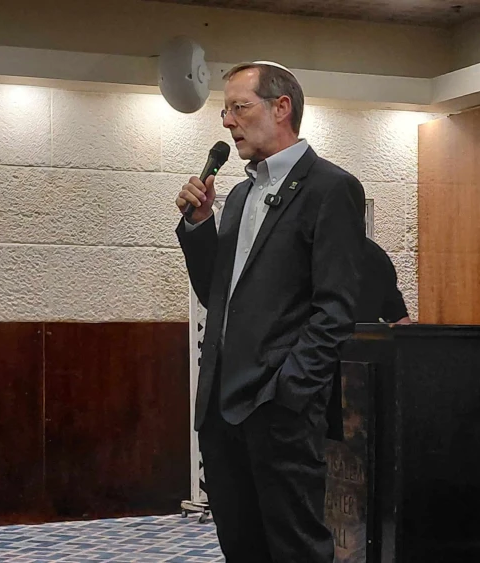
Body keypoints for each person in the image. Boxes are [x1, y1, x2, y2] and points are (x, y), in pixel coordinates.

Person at [175, 61, 365, 563]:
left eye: (239, 107)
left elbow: (336, 309)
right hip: (221, 409)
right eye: (225, 110)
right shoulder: (240, 195)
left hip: (280, 409)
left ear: (281, 108)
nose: (227, 121)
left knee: (295, 549)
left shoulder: (330, 188)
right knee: (242, 547)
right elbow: (218, 296)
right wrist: (199, 225)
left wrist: (290, 392)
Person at [355, 237, 412, 324]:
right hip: (366, 331)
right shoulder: (373, 251)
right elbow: (398, 317)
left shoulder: (372, 253)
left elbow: (397, 314)